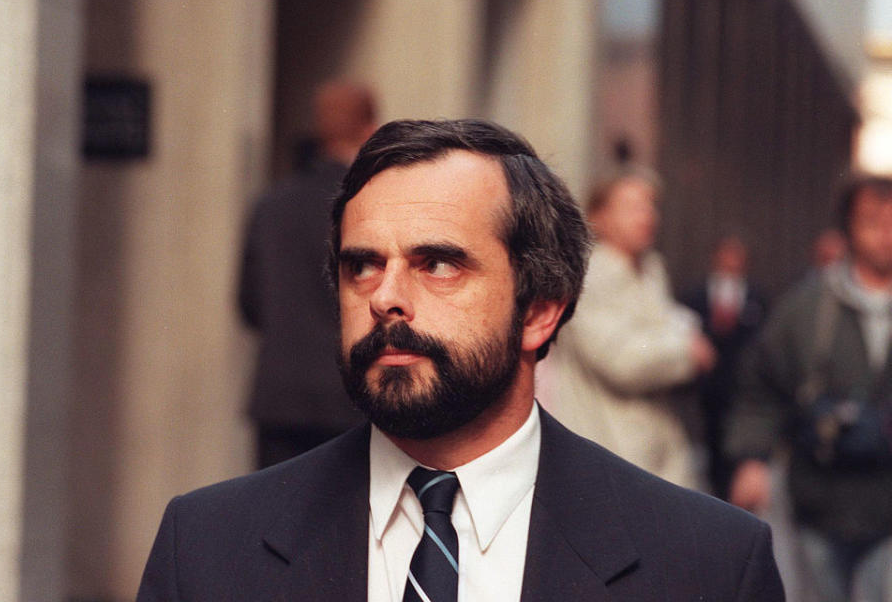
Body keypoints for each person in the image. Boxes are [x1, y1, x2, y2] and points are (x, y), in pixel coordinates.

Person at [138, 119, 783, 601]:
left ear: (538, 311)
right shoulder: (204, 550)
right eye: (362, 265)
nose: (385, 297)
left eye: (438, 263)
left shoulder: (708, 567)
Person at [726, 175, 892, 602]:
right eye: (873, 221)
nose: (885, 234)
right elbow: (761, 386)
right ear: (849, 228)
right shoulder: (806, 308)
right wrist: (752, 459)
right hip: (820, 499)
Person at [546, 169, 716, 489]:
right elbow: (623, 361)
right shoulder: (590, 276)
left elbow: (665, 330)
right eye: (632, 207)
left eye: (650, 206)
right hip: (609, 447)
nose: (647, 216)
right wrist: (687, 350)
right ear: (600, 216)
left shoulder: (650, 270)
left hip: (658, 450)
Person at [237, 80, 377, 468]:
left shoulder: (272, 203)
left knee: (277, 517)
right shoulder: (363, 206)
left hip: (279, 397)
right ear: (368, 129)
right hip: (348, 397)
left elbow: (249, 303)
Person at [681, 236, 767, 498]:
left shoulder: (756, 296)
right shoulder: (697, 293)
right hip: (711, 385)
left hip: (741, 384)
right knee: (713, 440)